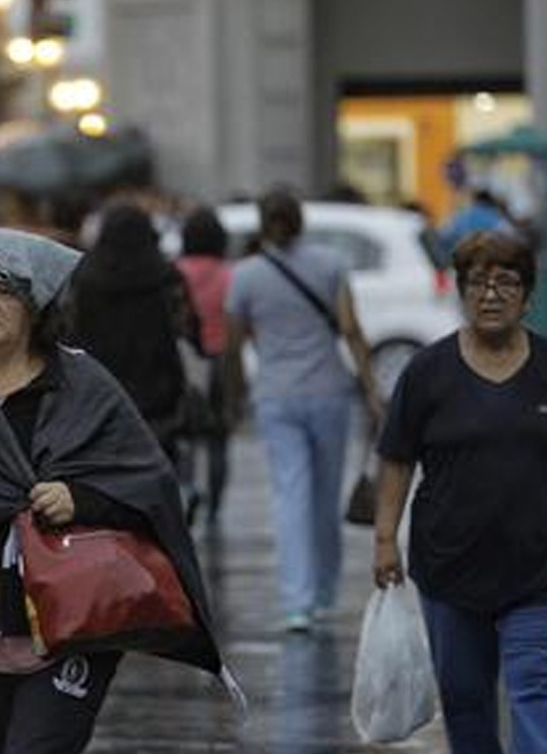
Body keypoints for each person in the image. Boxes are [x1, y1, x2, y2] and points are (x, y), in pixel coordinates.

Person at [0, 228, 229, 754]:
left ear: (34, 302)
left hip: (72, 633)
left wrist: (81, 499)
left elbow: (148, 483)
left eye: (4, 292)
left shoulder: (85, 386)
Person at [373, 231, 547, 753]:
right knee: (466, 702)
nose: (491, 295)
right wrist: (384, 540)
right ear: (461, 292)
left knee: (535, 693)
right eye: (478, 283)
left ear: (528, 295)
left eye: (506, 283)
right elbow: (396, 457)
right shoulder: (428, 372)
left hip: (538, 573)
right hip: (449, 570)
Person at [223, 188, 384, 633]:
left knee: (291, 494)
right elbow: (351, 330)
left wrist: (234, 397)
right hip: (329, 391)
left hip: (276, 394)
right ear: (301, 220)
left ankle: (297, 602)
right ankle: (326, 593)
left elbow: (233, 344)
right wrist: (371, 390)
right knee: (325, 496)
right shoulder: (330, 264)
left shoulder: (247, 275)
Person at [68, 203, 195, 467]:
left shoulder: (83, 278)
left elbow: (68, 331)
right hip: (158, 391)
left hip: (98, 391)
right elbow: (185, 328)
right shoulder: (166, 277)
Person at [176, 206, 234, 526]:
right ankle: (215, 505)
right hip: (221, 361)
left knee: (185, 431)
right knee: (218, 436)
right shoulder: (229, 274)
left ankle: (187, 488)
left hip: (186, 360)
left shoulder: (176, 270)